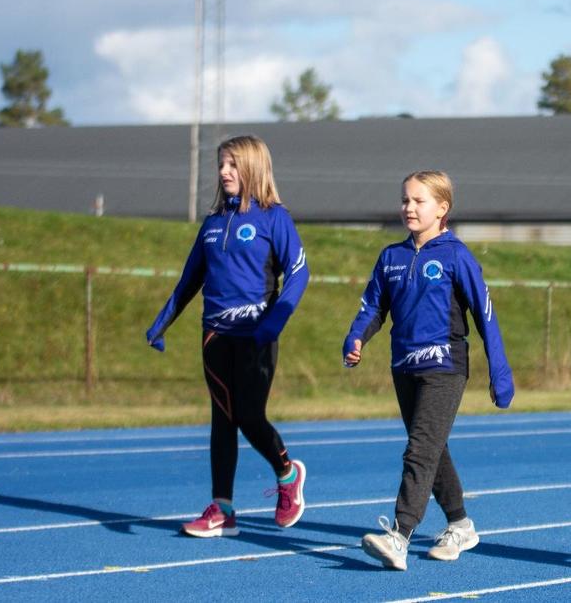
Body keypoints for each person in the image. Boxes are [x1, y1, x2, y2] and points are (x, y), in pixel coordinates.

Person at [343, 170, 515, 571]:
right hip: (404, 367)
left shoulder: (457, 257)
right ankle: (460, 524)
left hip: (445, 366)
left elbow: (486, 317)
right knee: (432, 450)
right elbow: (373, 307)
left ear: (442, 208)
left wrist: (499, 372)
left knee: (419, 450)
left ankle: (399, 536)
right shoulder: (391, 257)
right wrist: (356, 338)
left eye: (419, 201)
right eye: (405, 200)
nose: (409, 207)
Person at [146, 135, 310, 538]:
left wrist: (273, 323)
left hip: (257, 335)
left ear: (253, 167)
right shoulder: (212, 223)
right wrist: (162, 321)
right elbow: (189, 281)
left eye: (232, 165)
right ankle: (223, 509)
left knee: (250, 416)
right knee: (222, 419)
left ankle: (287, 475)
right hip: (214, 337)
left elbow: (299, 273)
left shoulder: (275, 219)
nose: (223, 172)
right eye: (221, 164)